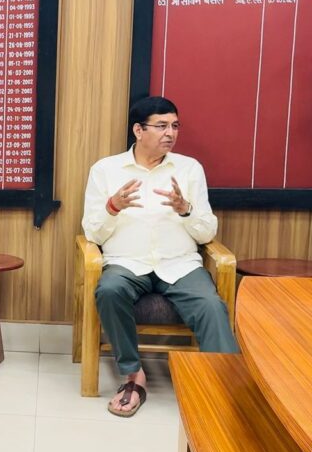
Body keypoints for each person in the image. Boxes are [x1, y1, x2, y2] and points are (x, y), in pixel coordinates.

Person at [82, 96, 240, 417]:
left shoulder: (189, 169)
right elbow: (92, 234)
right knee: (109, 290)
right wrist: (113, 207)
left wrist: (186, 209)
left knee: (211, 305)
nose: (170, 133)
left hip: (179, 264)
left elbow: (207, 233)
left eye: (175, 126)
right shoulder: (106, 170)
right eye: (162, 126)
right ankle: (133, 376)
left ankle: (228, 389)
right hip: (126, 262)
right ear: (138, 130)